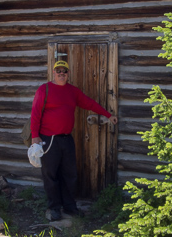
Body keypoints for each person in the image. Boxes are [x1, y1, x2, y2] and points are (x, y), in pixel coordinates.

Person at [30, 60, 118, 221]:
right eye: (58, 71)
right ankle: (54, 208)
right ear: (53, 72)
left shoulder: (73, 92)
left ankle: (70, 207)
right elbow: (35, 113)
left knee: (70, 174)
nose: (61, 74)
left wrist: (108, 115)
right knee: (51, 175)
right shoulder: (45, 89)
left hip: (66, 139)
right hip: (48, 140)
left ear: (68, 74)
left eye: (64, 71)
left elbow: (89, 103)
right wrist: (35, 137)